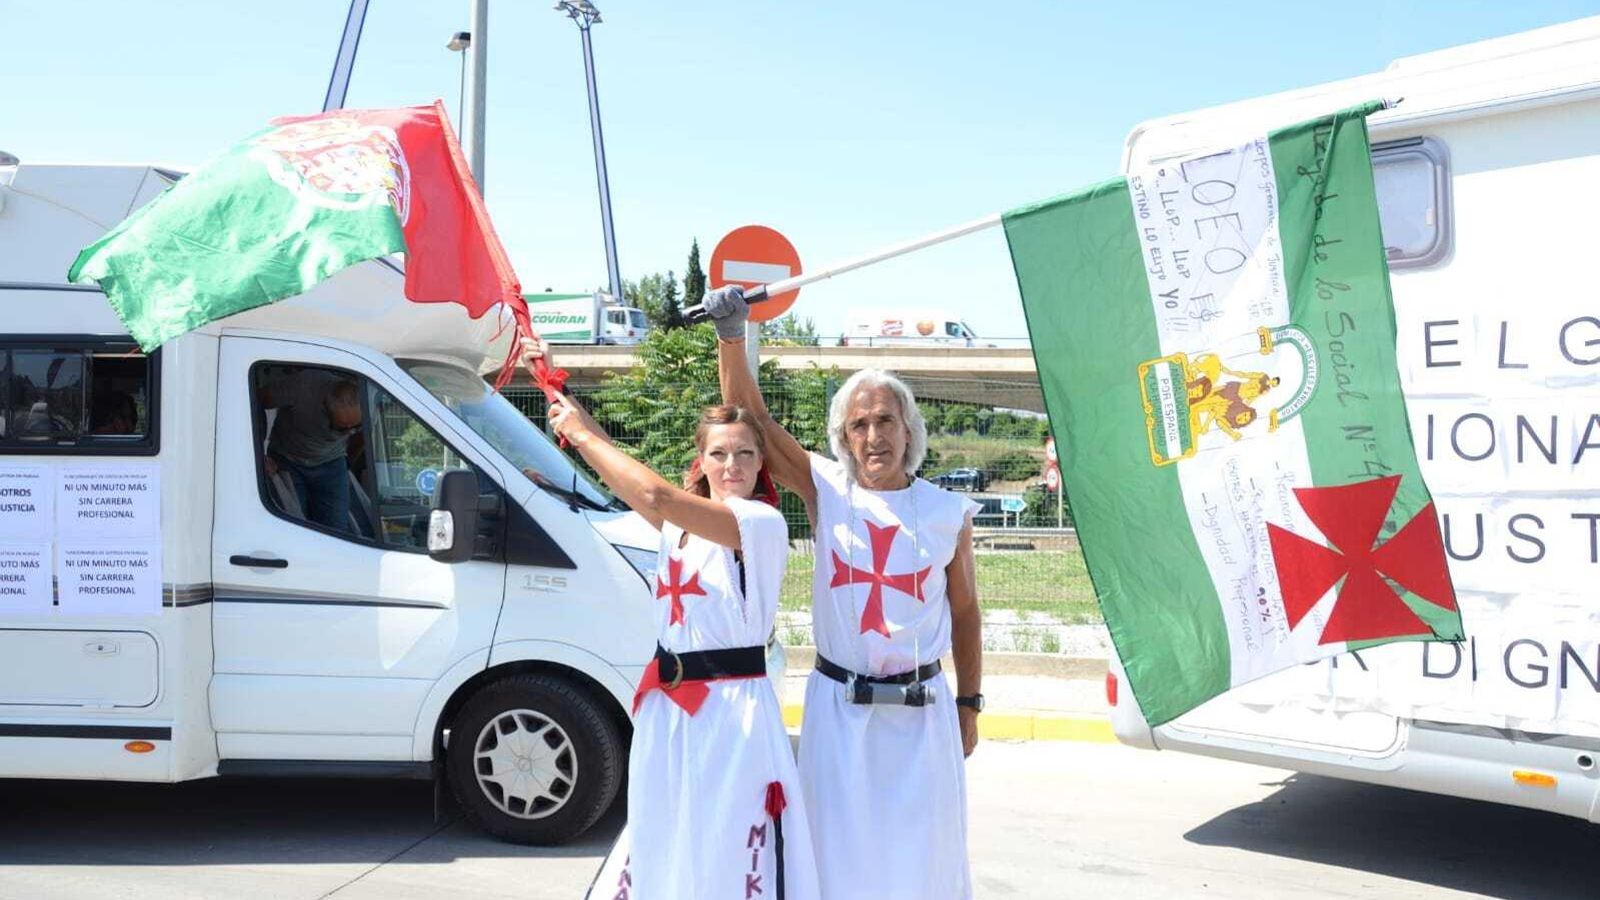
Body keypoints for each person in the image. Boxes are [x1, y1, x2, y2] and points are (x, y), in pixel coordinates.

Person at [705, 286, 984, 900]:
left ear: (908, 428)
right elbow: (752, 422)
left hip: (922, 715)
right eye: (859, 424)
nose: (873, 435)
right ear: (844, 436)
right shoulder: (827, 490)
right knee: (833, 863)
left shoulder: (945, 511)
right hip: (839, 711)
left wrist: (970, 702)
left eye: (885, 420)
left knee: (924, 864)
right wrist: (731, 338)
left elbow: (964, 612)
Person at [550, 394, 820, 900]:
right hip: (669, 709)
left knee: (729, 841)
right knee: (668, 831)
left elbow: (655, 495)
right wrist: (572, 414)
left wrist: (581, 436)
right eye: (719, 453)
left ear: (763, 462)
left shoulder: (759, 524)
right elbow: (637, 489)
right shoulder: (684, 530)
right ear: (702, 461)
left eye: (744, 453)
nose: (732, 465)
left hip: (731, 711)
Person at [260, 369, 362, 533]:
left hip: (333, 463)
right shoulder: (304, 385)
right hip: (287, 460)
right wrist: (259, 455)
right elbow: (253, 401)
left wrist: (349, 462)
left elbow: (362, 438)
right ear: (325, 408)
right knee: (292, 526)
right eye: (341, 428)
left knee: (337, 532)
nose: (349, 433)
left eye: (355, 427)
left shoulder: (368, 403)